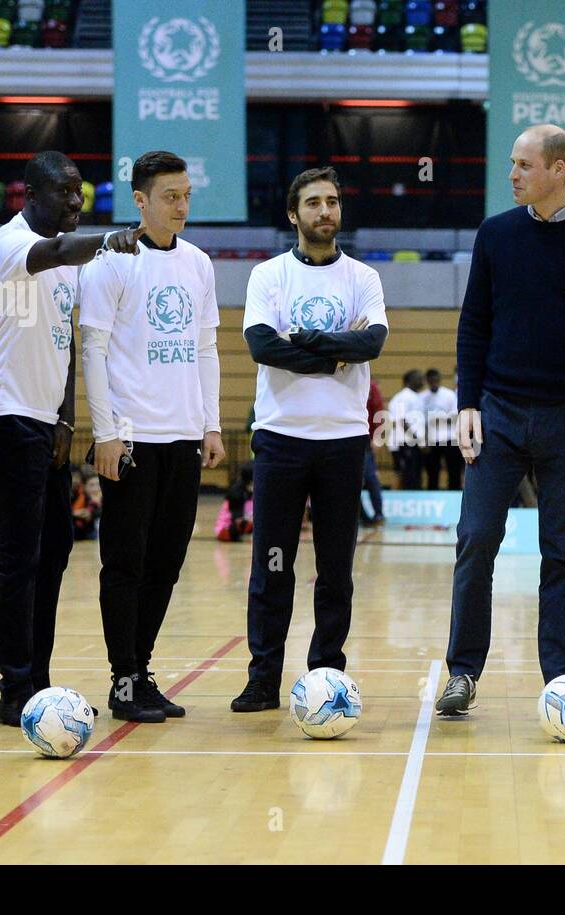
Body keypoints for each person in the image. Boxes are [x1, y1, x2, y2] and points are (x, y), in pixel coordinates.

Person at [435, 124, 565, 716]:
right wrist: (467, 403)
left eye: (523, 165)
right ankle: (462, 673)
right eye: (513, 164)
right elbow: (474, 325)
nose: (512, 175)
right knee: (475, 539)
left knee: (562, 551)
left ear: (559, 170)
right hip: (496, 412)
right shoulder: (495, 234)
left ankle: (560, 679)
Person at [0, 149, 145, 726]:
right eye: (66, 193)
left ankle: (36, 681)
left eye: (81, 194)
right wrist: (110, 240)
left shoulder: (64, 262)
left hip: (43, 421)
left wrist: (67, 419)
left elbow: (65, 346)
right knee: (20, 554)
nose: (76, 201)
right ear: (31, 195)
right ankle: (14, 689)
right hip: (3, 415)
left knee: (56, 548)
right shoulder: (13, 246)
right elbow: (59, 250)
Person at [230, 166, 388, 712]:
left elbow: (371, 343)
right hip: (280, 439)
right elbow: (262, 347)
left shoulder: (363, 278)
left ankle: (327, 676)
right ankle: (263, 678)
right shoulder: (268, 276)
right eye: (315, 203)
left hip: (344, 441)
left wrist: (309, 340)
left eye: (334, 201)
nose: (327, 212)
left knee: (335, 569)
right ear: (293, 214)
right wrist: (332, 353)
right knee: (272, 564)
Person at [79, 150, 225, 723]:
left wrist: (210, 423)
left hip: (184, 436)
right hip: (133, 437)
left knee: (165, 563)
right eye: (170, 196)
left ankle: (141, 670)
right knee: (126, 562)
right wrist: (107, 433)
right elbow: (92, 349)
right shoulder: (111, 262)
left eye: (187, 194)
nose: (182, 205)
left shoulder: (198, 263)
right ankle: (122, 679)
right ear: (140, 200)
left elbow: (207, 348)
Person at [421, 367, 461, 490]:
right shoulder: (422, 397)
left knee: (454, 470)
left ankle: (454, 495)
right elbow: (420, 421)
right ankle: (433, 494)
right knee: (432, 471)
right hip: (432, 439)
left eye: (436, 380)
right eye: (432, 381)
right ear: (427, 381)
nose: (434, 383)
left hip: (450, 438)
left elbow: (455, 417)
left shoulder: (449, 395)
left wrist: (436, 420)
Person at [386, 369, 425, 489]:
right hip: (405, 443)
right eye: (419, 378)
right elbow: (402, 421)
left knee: (415, 475)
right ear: (409, 381)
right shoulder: (403, 397)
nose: (422, 381)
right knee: (408, 475)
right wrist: (418, 441)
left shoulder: (416, 396)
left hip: (412, 442)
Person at [362, 377, 386, 524]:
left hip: (364, 440)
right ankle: (362, 517)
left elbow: (379, 412)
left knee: (370, 478)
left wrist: (377, 437)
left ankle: (379, 513)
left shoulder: (370, 387)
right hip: (345, 438)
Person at [216, 463, 254, 542]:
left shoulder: (251, 493)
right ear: (250, 482)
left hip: (242, 526)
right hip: (226, 530)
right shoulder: (236, 494)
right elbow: (237, 518)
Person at [71, 470, 101, 540]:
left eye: (98, 484)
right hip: (82, 536)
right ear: (84, 486)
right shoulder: (78, 498)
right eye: (91, 485)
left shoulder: (104, 498)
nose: (95, 488)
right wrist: (74, 514)